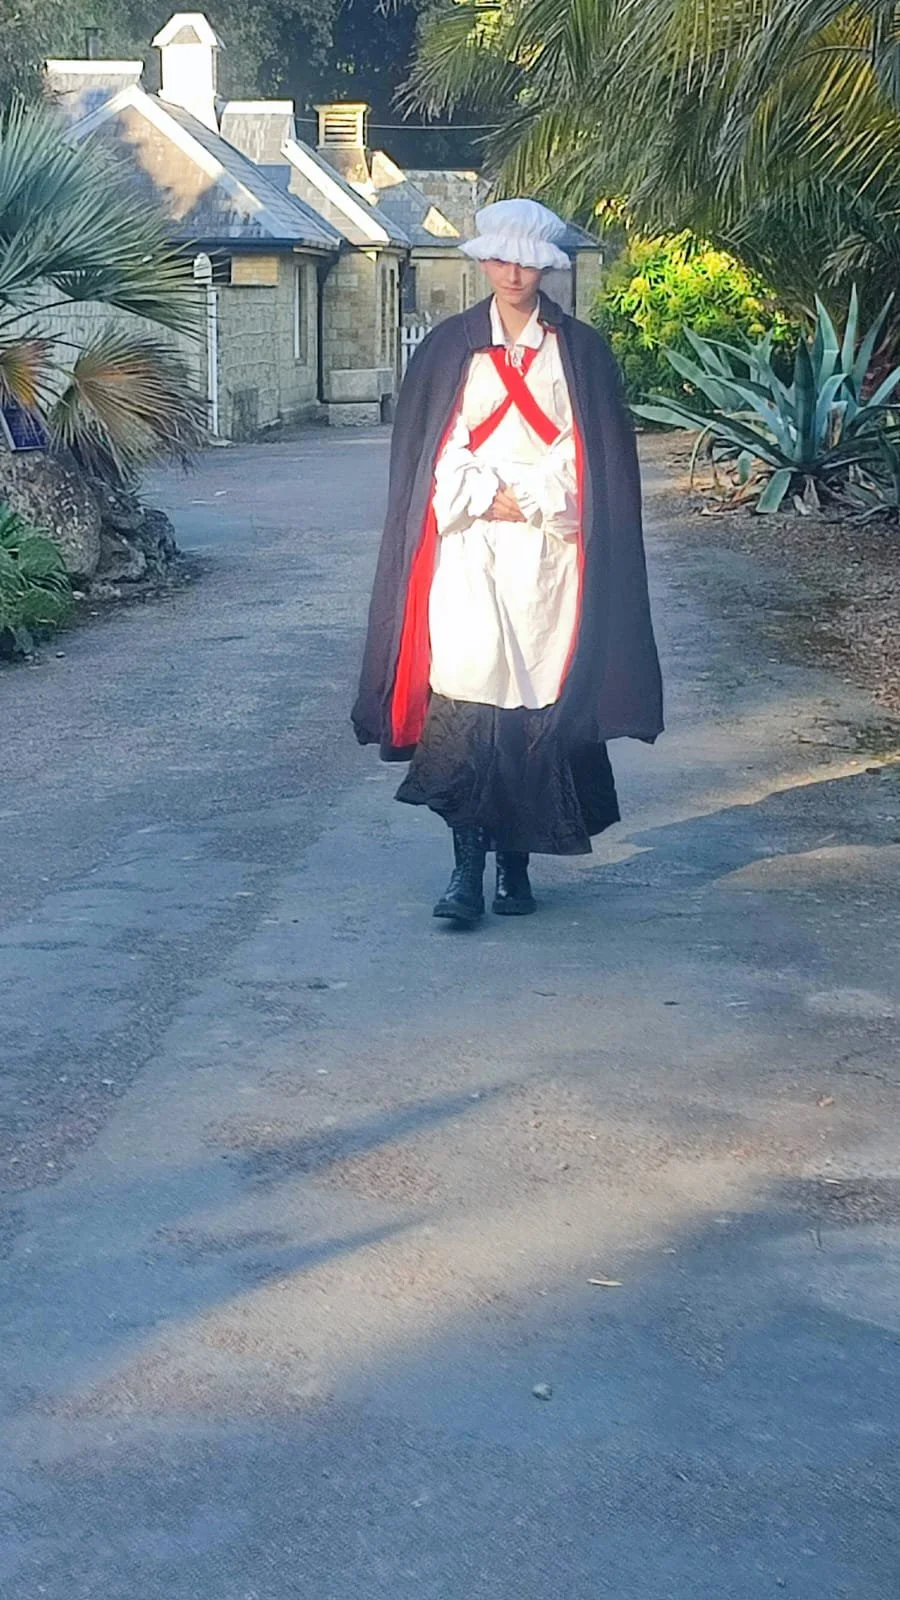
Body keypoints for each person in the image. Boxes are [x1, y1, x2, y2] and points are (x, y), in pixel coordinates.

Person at [352, 198, 663, 925]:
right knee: (467, 705)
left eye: (526, 261)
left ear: (545, 267)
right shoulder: (446, 346)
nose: (513, 272)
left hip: (551, 555)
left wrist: (535, 500)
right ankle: (466, 871)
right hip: (466, 550)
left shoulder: (581, 353)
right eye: (501, 259)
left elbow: (591, 455)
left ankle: (514, 869)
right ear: (484, 262)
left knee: (534, 710)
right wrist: (483, 497)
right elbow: (437, 447)